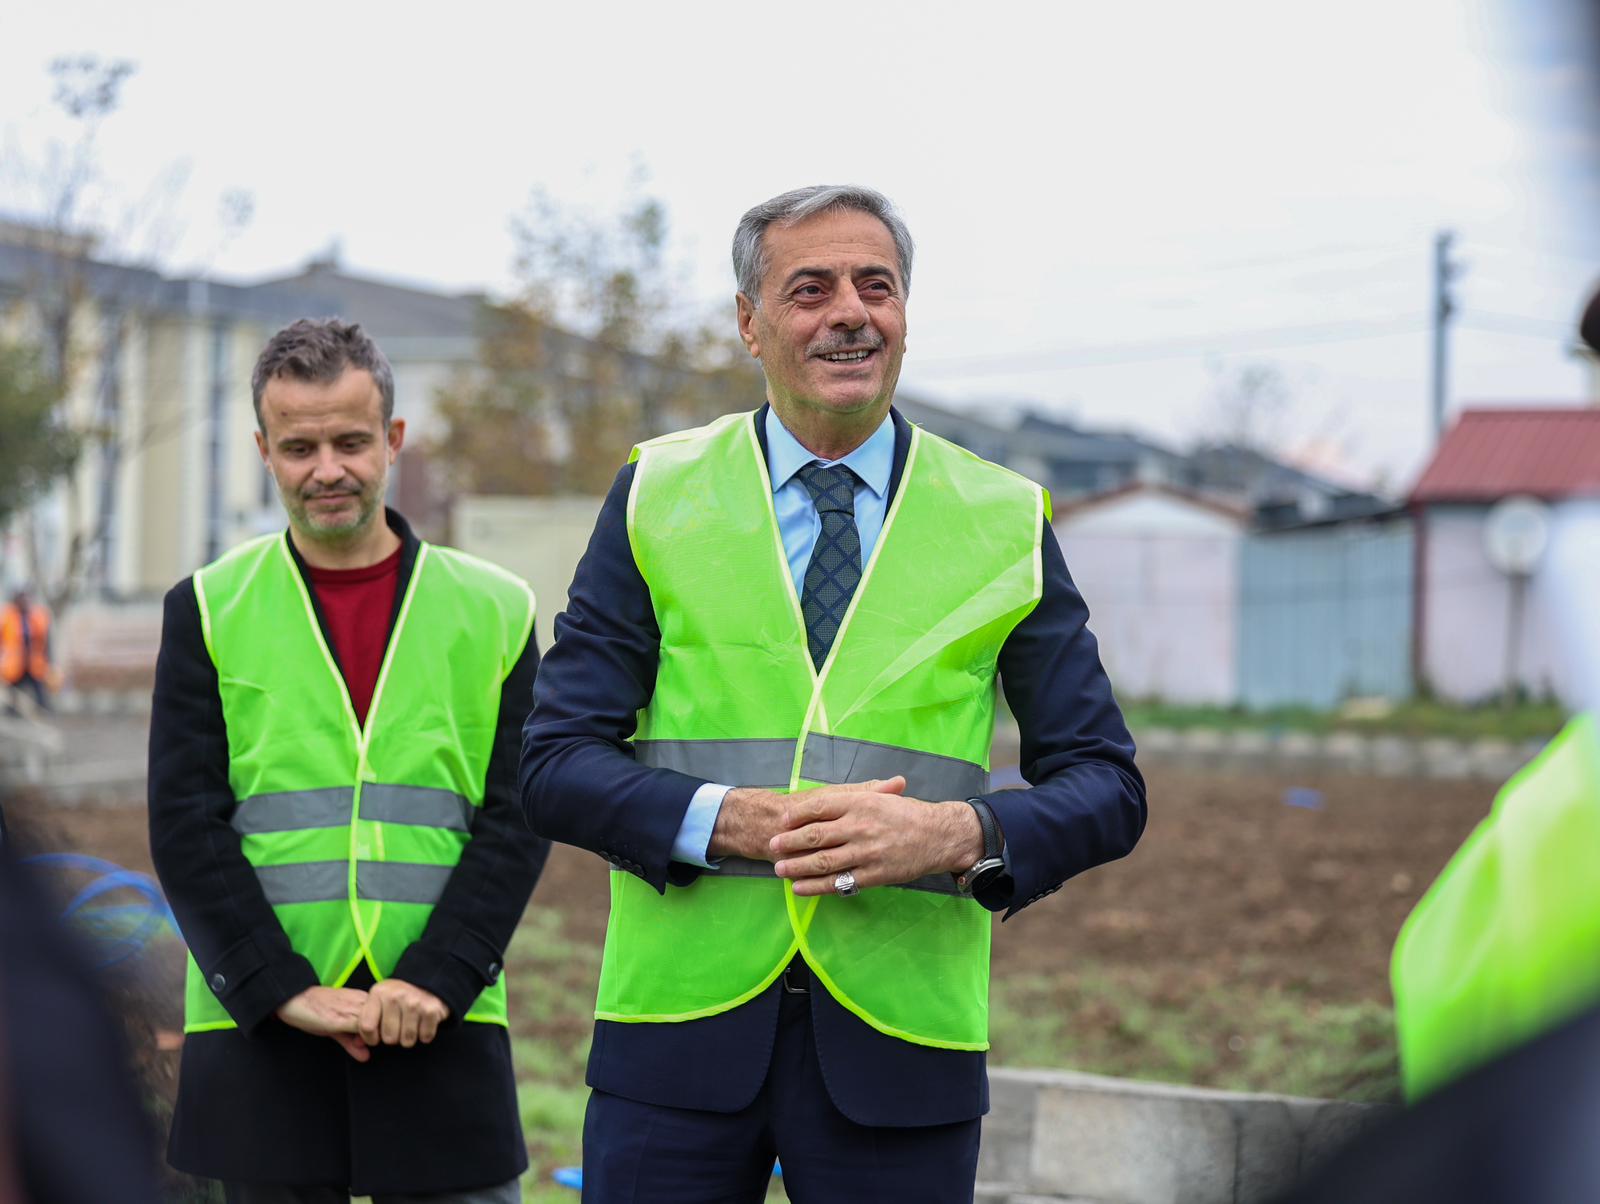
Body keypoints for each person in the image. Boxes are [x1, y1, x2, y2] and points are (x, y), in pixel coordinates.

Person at [521, 185, 1147, 1202]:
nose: (848, 312)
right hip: (676, 1041)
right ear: (748, 324)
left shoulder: (1001, 518)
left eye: (876, 286)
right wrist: (726, 820)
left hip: (904, 1049)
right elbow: (553, 764)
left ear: (904, 315)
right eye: (808, 289)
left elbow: (1107, 787)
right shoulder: (655, 493)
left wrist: (953, 836)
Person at [148, 319, 548, 1204]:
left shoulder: (497, 609)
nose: (326, 468)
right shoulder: (208, 608)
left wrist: (436, 979)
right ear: (262, 450)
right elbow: (185, 825)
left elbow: (516, 819)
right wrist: (277, 986)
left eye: (350, 441)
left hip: (439, 1022)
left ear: (393, 440)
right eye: (298, 446)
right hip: (262, 1029)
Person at [0, 589, 54, 713]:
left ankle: (43, 709)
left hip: (33, 662)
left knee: (38, 688)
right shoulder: (8, 617)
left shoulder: (38, 617)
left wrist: (49, 660)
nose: (25, 602)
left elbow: (46, 640)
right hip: (14, 663)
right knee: (13, 689)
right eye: (22, 599)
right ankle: (13, 712)